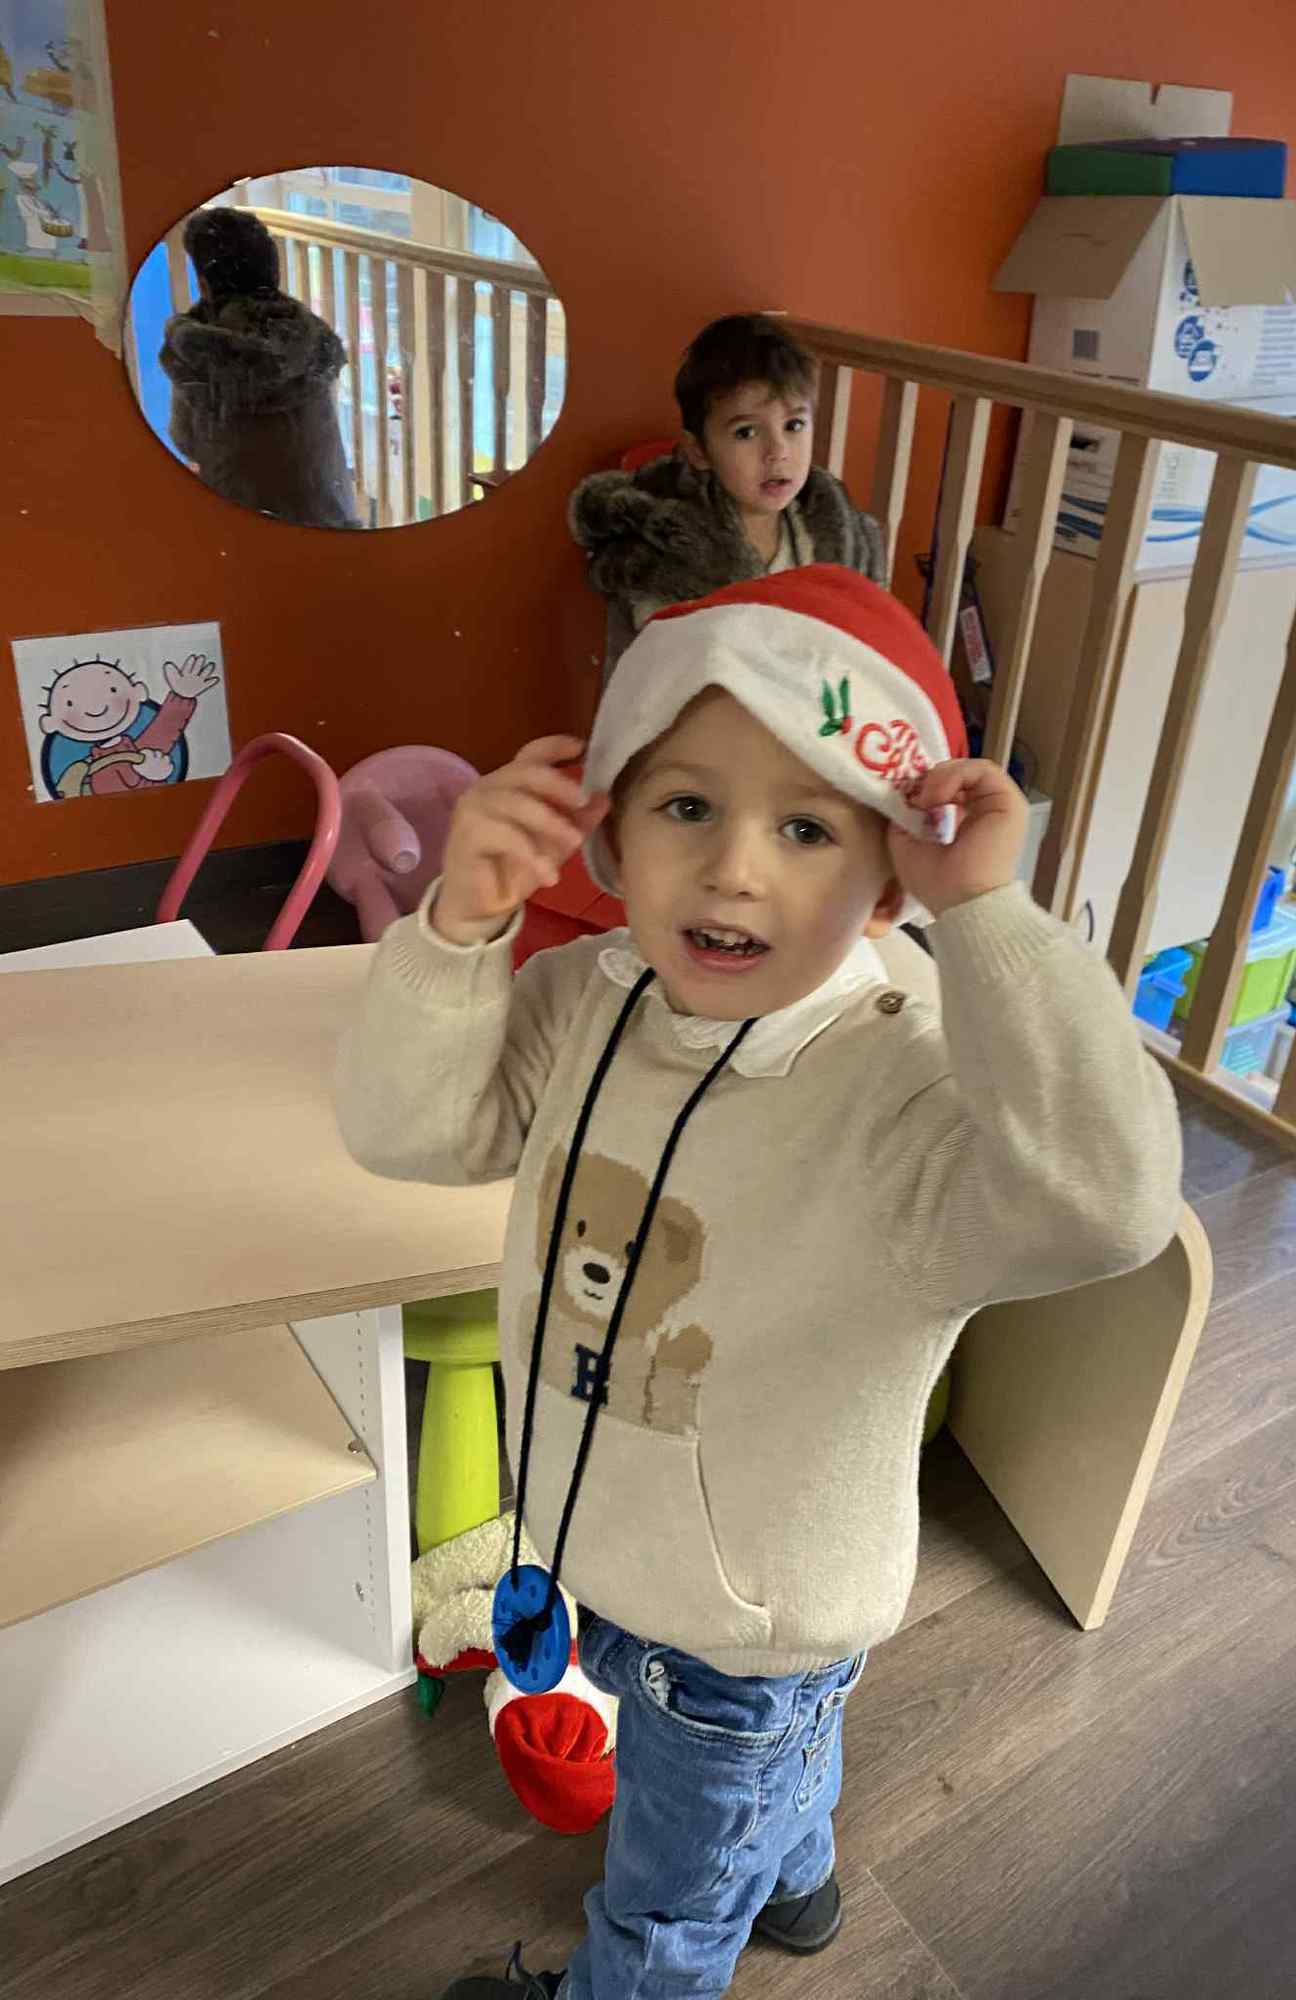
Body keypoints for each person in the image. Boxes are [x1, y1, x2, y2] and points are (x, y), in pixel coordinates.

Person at [335, 566, 1182, 2000]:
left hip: (744, 1629)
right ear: (609, 833)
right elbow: (407, 1130)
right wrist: (459, 931)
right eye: (686, 805)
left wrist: (988, 917)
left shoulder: (906, 1089)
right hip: (614, 1546)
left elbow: (1110, 1200)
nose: (735, 868)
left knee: (666, 1911)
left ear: (890, 876)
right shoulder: (588, 999)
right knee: (766, 1784)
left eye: (806, 827)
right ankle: (794, 1871)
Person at [569, 314, 885, 678]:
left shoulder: (840, 540)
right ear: (699, 451)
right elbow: (649, 683)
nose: (778, 451)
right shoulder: (660, 556)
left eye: (793, 425)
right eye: (746, 432)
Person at [158, 206, 360, 530]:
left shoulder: (199, 348)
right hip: (329, 518)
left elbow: (186, 441)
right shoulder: (306, 335)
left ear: (204, 284)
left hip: (243, 526)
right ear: (273, 273)